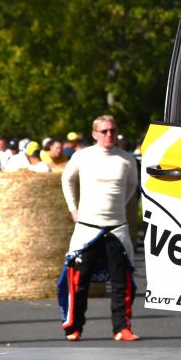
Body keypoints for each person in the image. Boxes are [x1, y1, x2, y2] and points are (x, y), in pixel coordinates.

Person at [57, 115, 140, 342]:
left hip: (117, 228)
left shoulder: (127, 160)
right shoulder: (82, 157)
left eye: (113, 130)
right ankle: (74, 327)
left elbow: (132, 186)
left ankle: (121, 328)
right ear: (94, 134)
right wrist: (73, 208)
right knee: (78, 282)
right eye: (104, 131)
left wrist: (117, 208)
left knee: (121, 282)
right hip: (87, 227)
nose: (109, 135)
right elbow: (67, 179)